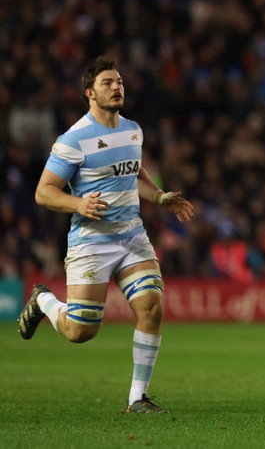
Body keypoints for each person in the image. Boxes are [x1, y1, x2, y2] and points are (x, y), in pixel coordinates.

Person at [17, 56, 195, 413]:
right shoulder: (73, 140)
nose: (117, 88)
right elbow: (44, 191)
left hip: (131, 237)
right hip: (91, 243)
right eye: (107, 83)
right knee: (81, 331)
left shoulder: (132, 130)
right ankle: (43, 301)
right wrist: (78, 204)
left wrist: (159, 196)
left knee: (152, 306)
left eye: (119, 82)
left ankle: (137, 398)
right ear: (89, 93)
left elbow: (133, 173)